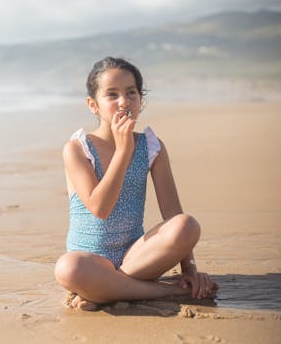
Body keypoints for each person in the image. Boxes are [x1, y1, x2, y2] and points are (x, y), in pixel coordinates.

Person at [54, 57, 218, 310]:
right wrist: (122, 151)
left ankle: (105, 291)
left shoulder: (151, 146)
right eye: (112, 94)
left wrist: (190, 270)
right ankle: (165, 291)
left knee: (187, 225)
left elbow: (172, 212)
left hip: (138, 260)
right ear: (93, 104)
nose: (123, 102)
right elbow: (100, 208)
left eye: (131, 93)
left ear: (141, 100)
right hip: (90, 263)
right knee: (67, 268)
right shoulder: (78, 148)